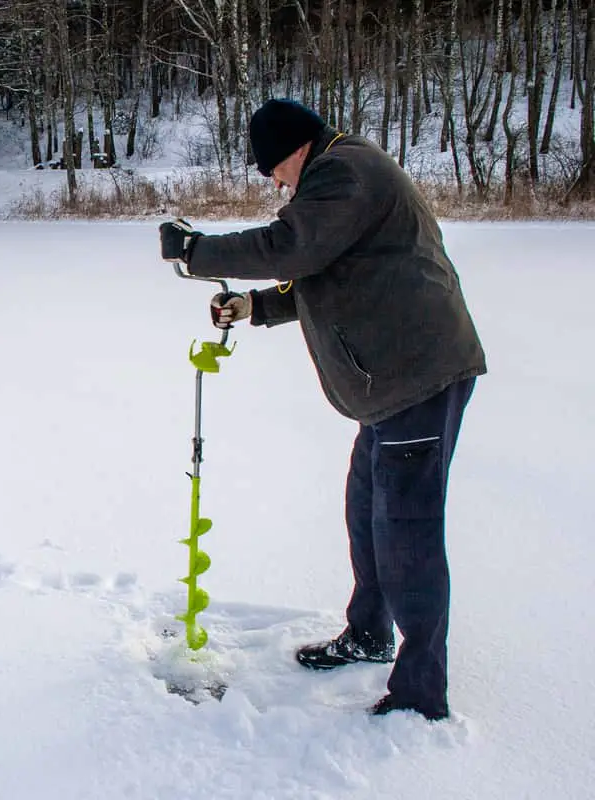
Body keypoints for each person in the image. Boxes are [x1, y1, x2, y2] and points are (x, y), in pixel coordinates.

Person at [158, 99, 486, 722]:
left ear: (294, 150)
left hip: (416, 376)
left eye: (272, 170)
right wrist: (253, 309)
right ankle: (368, 633)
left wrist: (197, 252)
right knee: (368, 514)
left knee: (407, 536)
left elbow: (292, 248)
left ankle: (421, 694)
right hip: (391, 384)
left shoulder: (344, 173)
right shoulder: (342, 174)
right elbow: (320, 270)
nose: (273, 184)